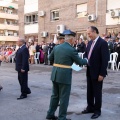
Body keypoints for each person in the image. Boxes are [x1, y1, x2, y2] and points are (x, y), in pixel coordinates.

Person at [46, 30, 88, 120]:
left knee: (54, 96)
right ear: (71, 40)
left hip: (55, 74)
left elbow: (50, 58)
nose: (75, 41)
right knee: (64, 97)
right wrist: (86, 60)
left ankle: (50, 114)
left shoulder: (57, 47)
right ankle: (62, 117)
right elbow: (80, 62)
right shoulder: (71, 49)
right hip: (64, 76)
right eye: (74, 39)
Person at [82, 26, 109, 119]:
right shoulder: (89, 43)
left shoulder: (103, 43)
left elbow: (105, 60)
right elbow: (86, 54)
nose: (88, 35)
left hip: (98, 73)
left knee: (97, 93)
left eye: (89, 33)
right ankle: (90, 107)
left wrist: (102, 73)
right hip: (89, 70)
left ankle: (97, 111)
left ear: (94, 32)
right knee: (89, 91)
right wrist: (84, 60)